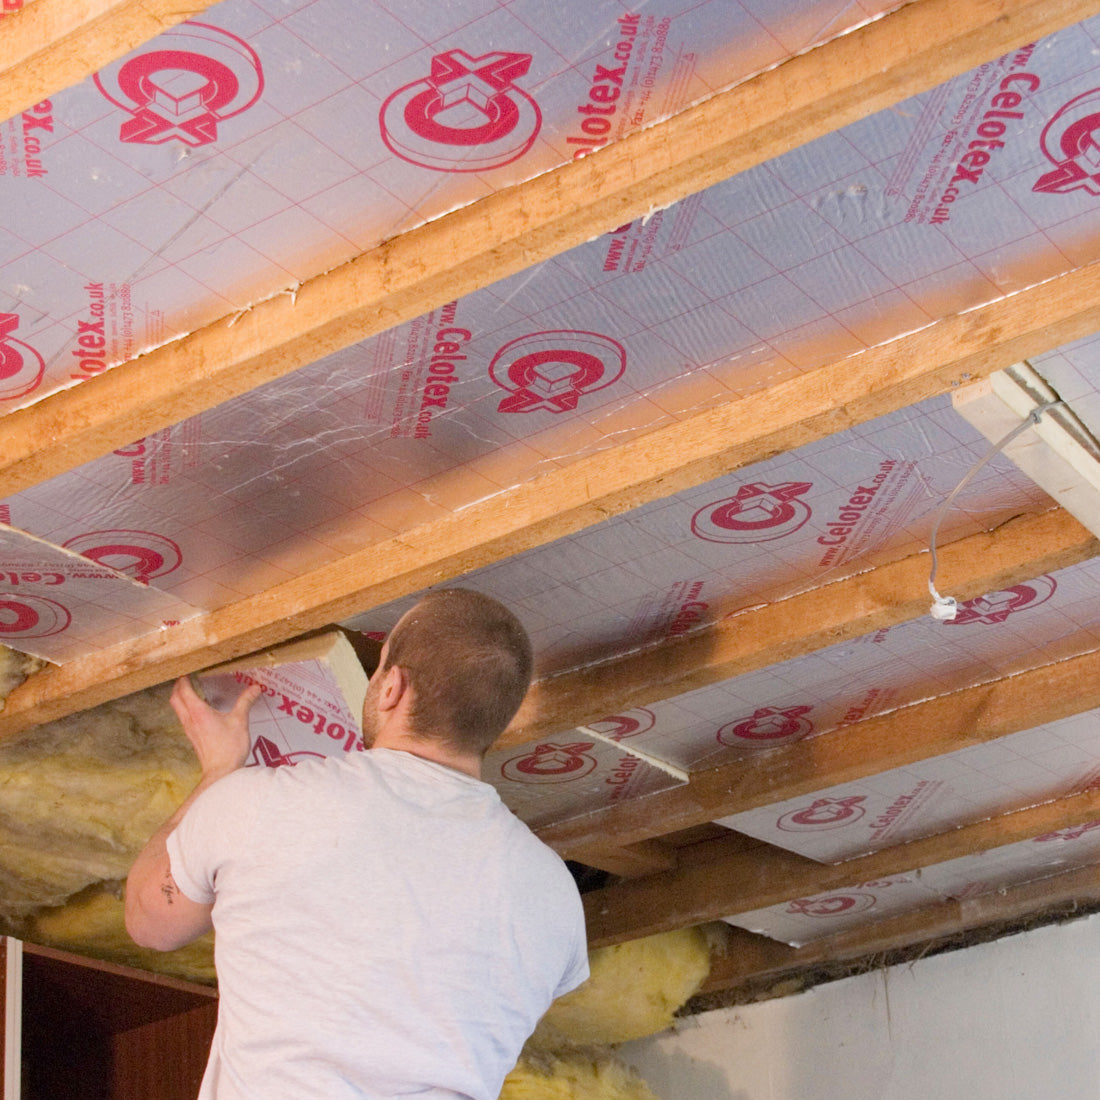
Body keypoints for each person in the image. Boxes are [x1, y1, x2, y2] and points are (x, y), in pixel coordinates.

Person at [125, 589, 589, 1100]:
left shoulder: (257, 804)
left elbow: (150, 924)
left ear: (391, 687)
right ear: (495, 719)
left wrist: (217, 773)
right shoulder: (556, 897)